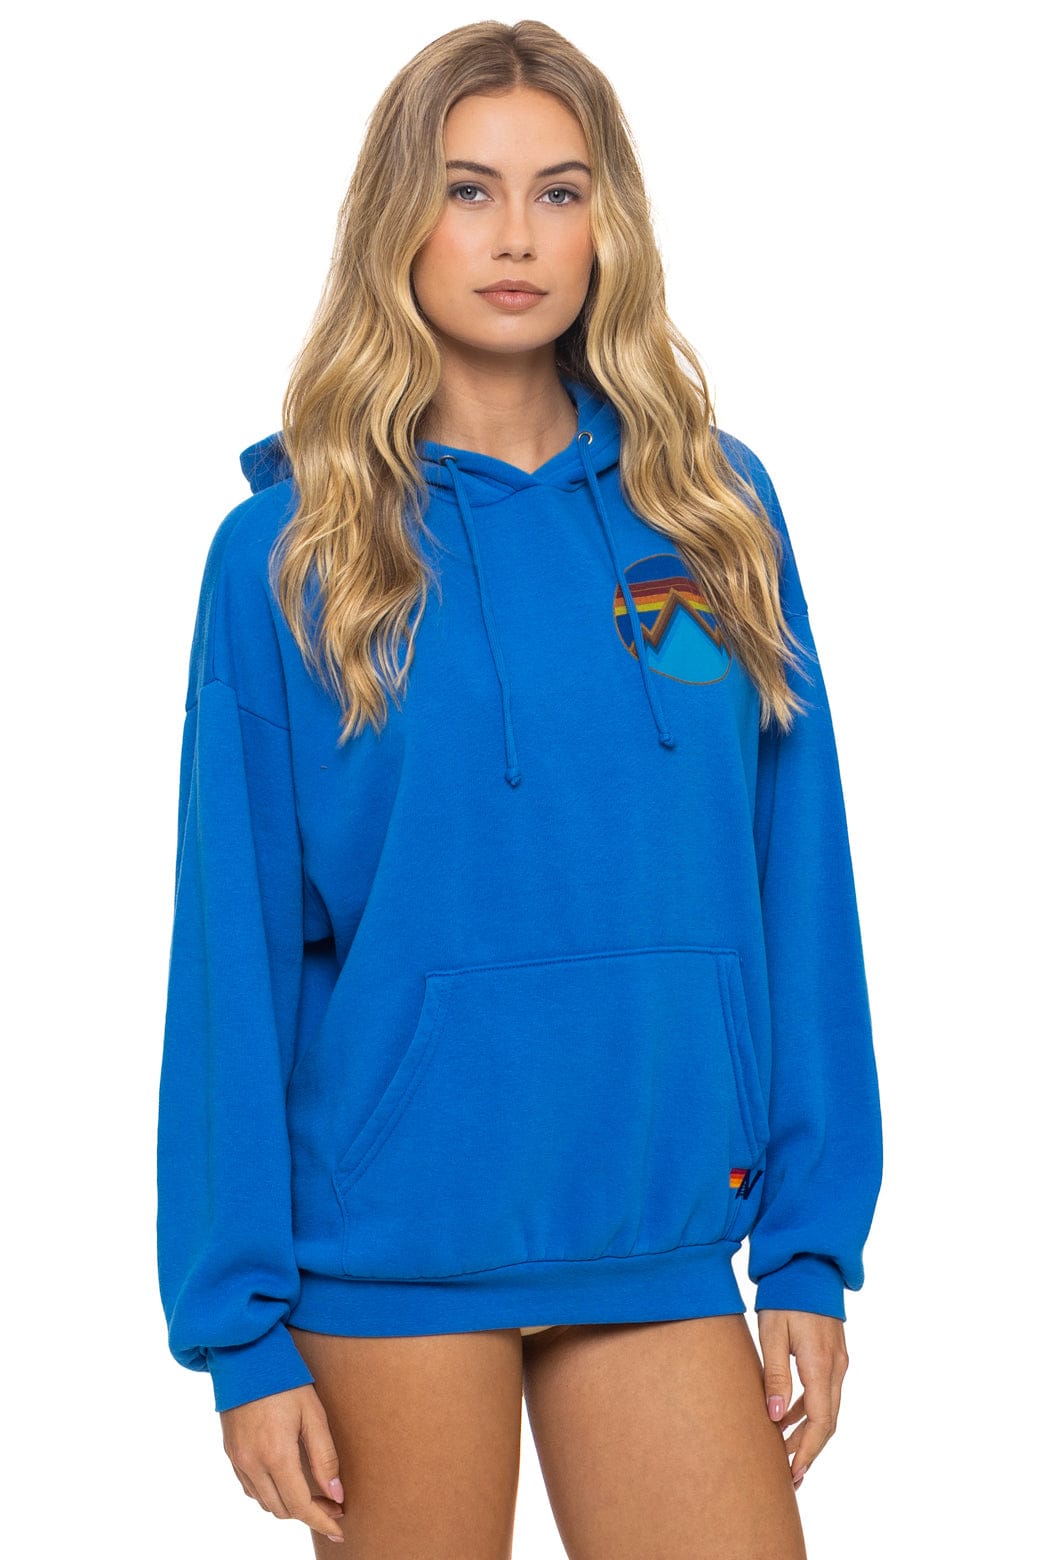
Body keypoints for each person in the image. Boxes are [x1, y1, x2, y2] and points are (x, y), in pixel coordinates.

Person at [155, 18, 883, 1558]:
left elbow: (792, 873)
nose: (516, 237)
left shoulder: (705, 514)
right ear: (398, 220)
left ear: (608, 222)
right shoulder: (292, 553)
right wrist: (240, 1327)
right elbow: (230, 951)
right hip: (392, 1243)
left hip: (658, 1225)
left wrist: (810, 1248)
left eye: (559, 191)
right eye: (468, 190)